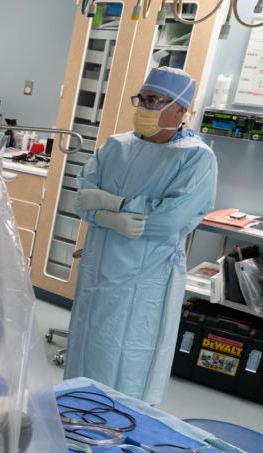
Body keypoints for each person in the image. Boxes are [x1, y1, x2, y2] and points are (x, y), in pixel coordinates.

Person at [64, 67, 217, 405]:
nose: (144, 107)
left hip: (143, 283)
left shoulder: (195, 158)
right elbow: (82, 197)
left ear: (180, 109)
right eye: (142, 99)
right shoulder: (115, 146)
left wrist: (113, 203)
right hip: (97, 274)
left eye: (154, 101)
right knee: (84, 354)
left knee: (126, 365)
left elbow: (169, 220)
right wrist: (112, 217)